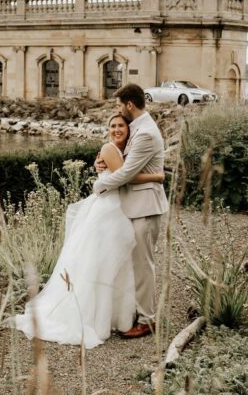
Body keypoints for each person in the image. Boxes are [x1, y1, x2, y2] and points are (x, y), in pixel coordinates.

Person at [10, 113, 164, 348]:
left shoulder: (125, 151)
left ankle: (118, 315)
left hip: (117, 210)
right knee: (100, 263)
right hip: (108, 211)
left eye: (121, 126)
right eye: (112, 126)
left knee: (116, 263)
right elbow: (126, 176)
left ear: (129, 130)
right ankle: (95, 317)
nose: (116, 129)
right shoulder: (110, 149)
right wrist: (158, 176)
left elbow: (126, 170)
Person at [92, 83, 169, 339]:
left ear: (129, 105)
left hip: (145, 207)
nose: (118, 110)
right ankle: (136, 311)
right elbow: (121, 160)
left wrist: (100, 185)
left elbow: (126, 173)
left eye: (119, 105)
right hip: (135, 206)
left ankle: (147, 320)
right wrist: (102, 162)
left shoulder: (145, 133)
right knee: (134, 264)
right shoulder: (138, 128)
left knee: (143, 266)